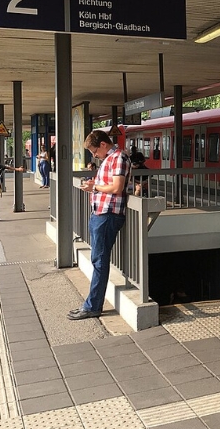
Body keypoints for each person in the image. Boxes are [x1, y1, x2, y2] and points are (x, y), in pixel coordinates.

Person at [69, 129, 131, 320]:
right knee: (98, 260)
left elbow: (117, 187)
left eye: (95, 151)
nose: (94, 155)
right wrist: (94, 186)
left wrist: (94, 186)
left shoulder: (118, 158)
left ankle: (93, 306)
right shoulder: (110, 159)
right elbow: (109, 185)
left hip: (108, 214)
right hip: (101, 213)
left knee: (99, 261)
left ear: (103, 144)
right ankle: (90, 304)